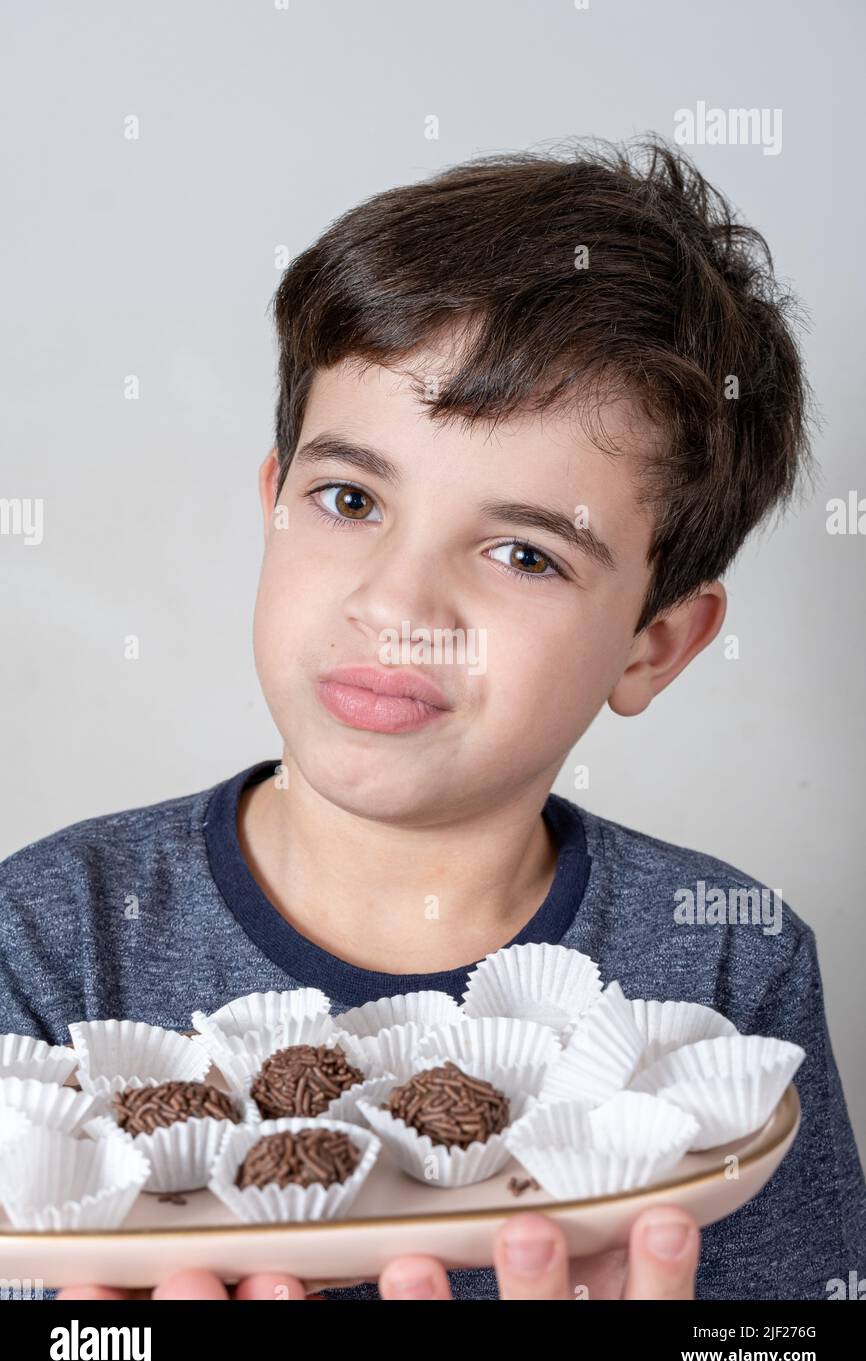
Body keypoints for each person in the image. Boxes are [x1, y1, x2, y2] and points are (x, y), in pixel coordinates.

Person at [2, 138, 864, 1301]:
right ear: (274, 505)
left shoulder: (725, 961)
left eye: (523, 553)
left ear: (652, 644)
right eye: (349, 499)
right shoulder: (53, 933)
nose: (397, 605)